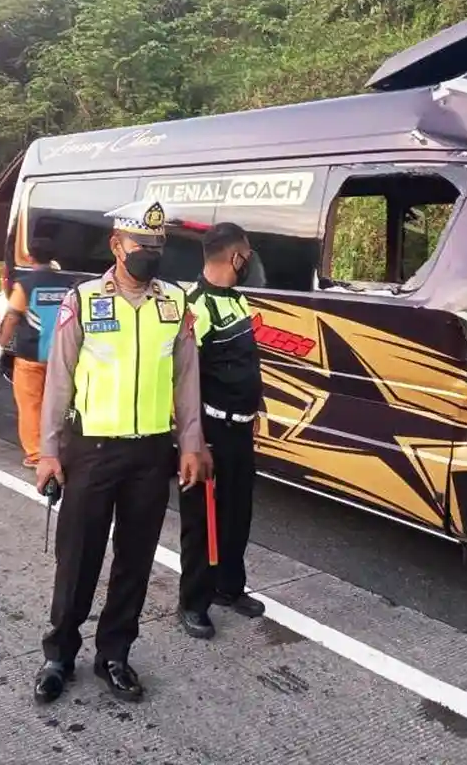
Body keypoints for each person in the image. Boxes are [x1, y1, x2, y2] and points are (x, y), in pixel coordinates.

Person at [33, 198, 211, 705]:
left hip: (151, 454)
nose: (151, 255)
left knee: (135, 559)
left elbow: (186, 382)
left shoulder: (174, 304)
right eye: (142, 246)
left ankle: (115, 653)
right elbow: (58, 381)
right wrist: (49, 452)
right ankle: (59, 655)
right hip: (92, 450)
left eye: (158, 247)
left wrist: (191, 444)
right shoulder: (85, 300)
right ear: (117, 246)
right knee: (79, 558)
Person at [176, 223, 266, 639]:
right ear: (235, 258)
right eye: (247, 254)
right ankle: (194, 600)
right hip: (211, 432)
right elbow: (185, 379)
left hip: (242, 430)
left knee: (237, 514)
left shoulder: (239, 301)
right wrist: (195, 441)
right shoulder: (197, 307)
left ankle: (230, 587)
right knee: (201, 521)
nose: (250, 261)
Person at [0, 236, 74, 467]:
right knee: (59, 402)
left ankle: (37, 454)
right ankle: (59, 448)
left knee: (30, 404)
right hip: (62, 355)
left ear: (30, 257)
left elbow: (12, 316)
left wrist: (0, 344)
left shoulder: (25, 284)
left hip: (31, 355)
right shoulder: (69, 285)